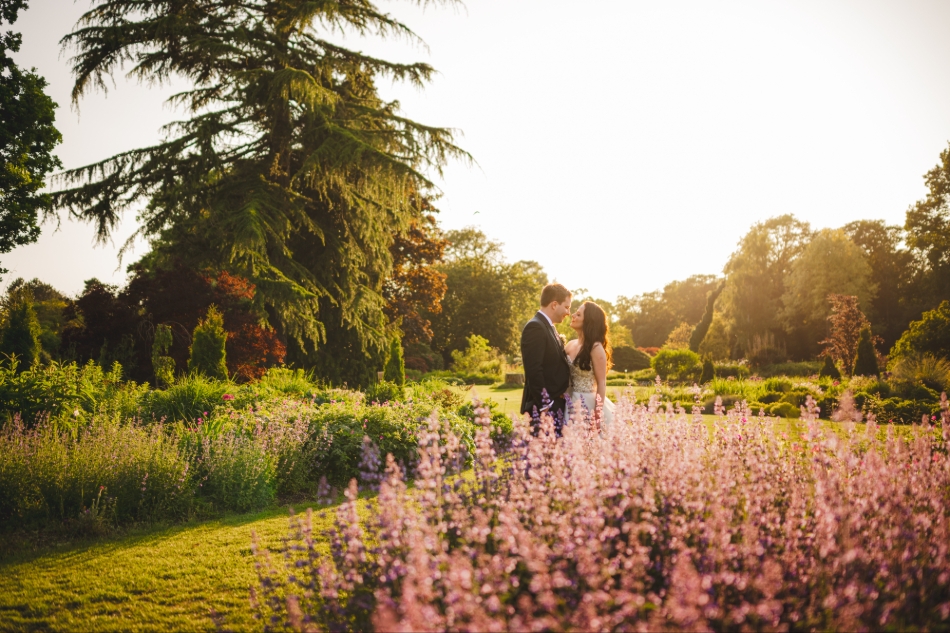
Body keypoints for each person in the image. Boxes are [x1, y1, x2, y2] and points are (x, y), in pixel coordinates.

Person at [520, 283, 572, 434]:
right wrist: (546, 405)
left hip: (556, 406)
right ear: (554, 305)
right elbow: (534, 369)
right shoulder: (535, 327)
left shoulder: (549, 327)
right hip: (544, 409)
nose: (568, 312)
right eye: (567, 307)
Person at [563, 301, 615, 428]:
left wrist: (597, 416)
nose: (573, 315)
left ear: (588, 322)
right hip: (568, 402)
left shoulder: (596, 348)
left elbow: (601, 383)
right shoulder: (570, 345)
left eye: (578, 314)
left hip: (588, 404)